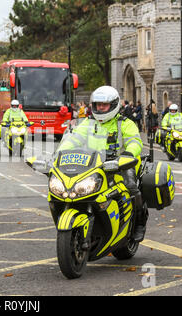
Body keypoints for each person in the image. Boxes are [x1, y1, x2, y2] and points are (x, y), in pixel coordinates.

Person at [57, 86, 147, 242]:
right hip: (93, 164)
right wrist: (59, 154)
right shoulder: (88, 122)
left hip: (121, 164)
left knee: (131, 186)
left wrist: (128, 154)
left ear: (113, 105)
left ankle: (139, 221)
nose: (100, 107)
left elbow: (134, 142)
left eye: (103, 105)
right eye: (97, 104)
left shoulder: (125, 123)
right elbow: (74, 139)